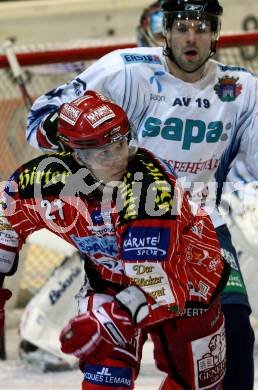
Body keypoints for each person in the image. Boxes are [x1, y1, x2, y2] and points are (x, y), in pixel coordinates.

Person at [25, 1, 257, 389]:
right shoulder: (123, 70)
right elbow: (40, 119)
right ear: (165, 31)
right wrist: (65, 130)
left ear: (216, 33)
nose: (191, 37)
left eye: (201, 28)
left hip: (202, 229)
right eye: (182, 27)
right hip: (126, 226)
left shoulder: (243, 88)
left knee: (232, 332)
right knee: (117, 349)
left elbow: (250, 167)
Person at [0, 92, 229, 389]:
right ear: (75, 156)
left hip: (191, 284)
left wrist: (108, 321)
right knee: (104, 383)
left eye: (120, 144)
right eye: (103, 153)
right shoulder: (42, 180)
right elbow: (6, 217)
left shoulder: (150, 191)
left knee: (195, 386)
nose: (119, 158)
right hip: (110, 282)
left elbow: (154, 282)